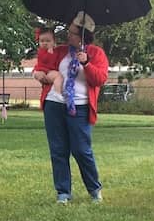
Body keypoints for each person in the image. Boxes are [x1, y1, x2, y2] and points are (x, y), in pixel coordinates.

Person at [32, 12, 109, 204]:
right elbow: (42, 64)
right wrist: (38, 73)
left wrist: (86, 63)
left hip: (80, 108)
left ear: (84, 36)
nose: (68, 36)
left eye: (73, 33)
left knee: (82, 150)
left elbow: (100, 79)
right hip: (54, 105)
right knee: (58, 150)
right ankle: (63, 193)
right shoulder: (61, 51)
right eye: (69, 32)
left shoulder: (96, 53)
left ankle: (94, 189)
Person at [35, 27, 64, 95]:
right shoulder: (41, 51)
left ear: (54, 42)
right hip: (44, 70)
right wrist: (49, 54)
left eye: (48, 41)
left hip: (49, 70)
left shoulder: (56, 50)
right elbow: (45, 60)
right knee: (58, 76)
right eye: (42, 41)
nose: (45, 43)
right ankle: (58, 93)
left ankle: (58, 91)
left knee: (58, 76)